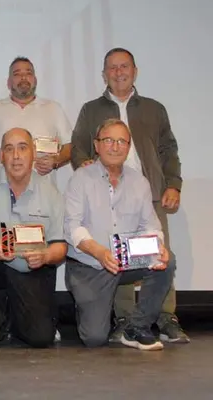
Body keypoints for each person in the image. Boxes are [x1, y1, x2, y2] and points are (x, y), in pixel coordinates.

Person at [70, 48, 188, 343]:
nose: (118, 72)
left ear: (135, 71)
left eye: (124, 66)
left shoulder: (154, 108)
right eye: (112, 67)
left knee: (159, 255)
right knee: (115, 252)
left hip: (146, 190)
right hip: (103, 189)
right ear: (104, 74)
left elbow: (168, 150)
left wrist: (173, 184)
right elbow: (78, 146)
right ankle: (125, 320)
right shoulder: (90, 109)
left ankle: (165, 317)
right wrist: (85, 166)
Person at [64, 118, 174, 350]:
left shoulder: (139, 182)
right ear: (97, 145)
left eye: (121, 141)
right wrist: (100, 252)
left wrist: (158, 246)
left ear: (128, 147)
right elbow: (72, 227)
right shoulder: (80, 179)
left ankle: (137, 327)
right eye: (108, 140)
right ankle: (87, 305)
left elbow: (151, 226)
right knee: (94, 338)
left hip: (127, 260)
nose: (115, 147)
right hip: (90, 265)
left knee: (167, 261)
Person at [0, 128, 67, 349]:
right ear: (1, 155)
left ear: (33, 153)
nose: (16, 156)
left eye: (22, 148)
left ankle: (15, 319)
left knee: (40, 338)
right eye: (9, 149)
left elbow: (60, 246)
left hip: (32, 270)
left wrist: (46, 255)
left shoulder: (51, 193)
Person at [0, 57, 72, 182]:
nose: (23, 78)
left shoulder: (53, 108)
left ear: (35, 80)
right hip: (2, 190)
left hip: (44, 190)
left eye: (28, 73)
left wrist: (56, 161)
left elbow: (70, 146)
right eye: (17, 74)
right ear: (9, 83)